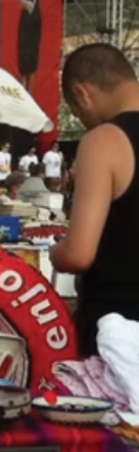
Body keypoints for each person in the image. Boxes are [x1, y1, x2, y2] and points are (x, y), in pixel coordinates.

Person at [52, 43, 139, 354]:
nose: (83, 120)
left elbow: (79, 255)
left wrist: (56, 252)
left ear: (82, 93)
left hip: (119, 337)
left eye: (78, 113)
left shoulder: (104, 141)